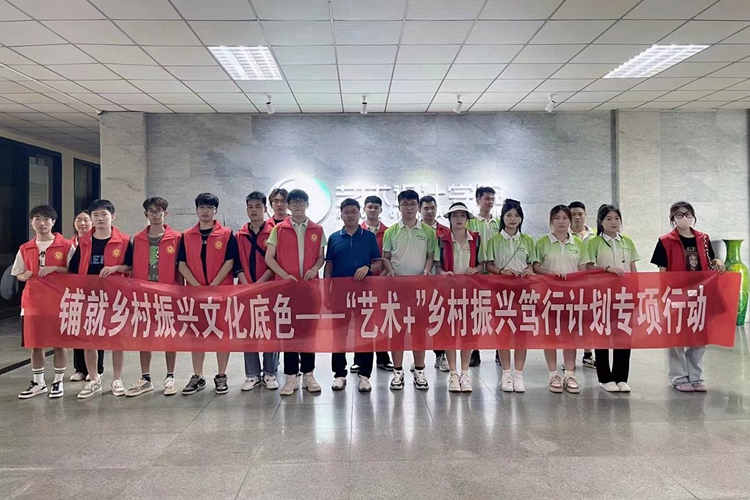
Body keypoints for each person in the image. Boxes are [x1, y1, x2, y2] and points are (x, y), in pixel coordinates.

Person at [651, 201, 725, 393]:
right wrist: (664, 295)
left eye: (688, 214)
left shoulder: (703, 239)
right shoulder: (665, 241)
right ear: (672, 218)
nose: (684, 218)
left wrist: (718, 261)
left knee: (699, 335)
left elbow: (710, 261)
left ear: (693, 216)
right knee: (676, 336)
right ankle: (679, 376)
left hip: (700, 294)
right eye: (679, 214)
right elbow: (662, 271)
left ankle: (696, 376)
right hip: (676, 294)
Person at [69, 199, 132, 399]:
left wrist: (115, 268)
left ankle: (117, 379)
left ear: (112, 217)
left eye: (104, 214)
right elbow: (73, 269)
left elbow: (130, 265)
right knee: (89, 339)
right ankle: (94, 380)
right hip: (89, 297)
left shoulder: (123, 240)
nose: (100, 218)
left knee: (116, 340)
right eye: (95, 215)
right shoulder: (84, 241)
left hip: (115, 297)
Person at [265, 189, 326, 396]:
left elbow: (321, 257)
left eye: (302, 201)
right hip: (286, 290)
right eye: (294, 202)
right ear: (289, 206)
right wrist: (283, 275)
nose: (298, 205)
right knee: (288, 332)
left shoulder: (317, 229)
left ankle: (308, 374)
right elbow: (269, 258)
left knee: (309, 332)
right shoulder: (279, 229)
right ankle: (291, 377)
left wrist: (315, 269)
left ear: (307, 204)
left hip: (309, 289)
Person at [178, 193, 238, 396]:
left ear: (215, 210)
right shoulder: (187, 235)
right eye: (202, 207)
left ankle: (221, 375)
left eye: (209, 207)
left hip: (221, 293)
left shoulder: (227, 234)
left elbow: (230, 262)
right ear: (196, 210)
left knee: (221, 334)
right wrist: (197, 286)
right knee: (197, 335)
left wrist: (213, 286)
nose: (205, 211)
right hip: (195, 294)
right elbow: (182, 264)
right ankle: (198, 375)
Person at [382, 189, 437, 391]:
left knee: (419, 331)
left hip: (420, 290)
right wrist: (390, 271)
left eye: (413, 204)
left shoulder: (429, 232)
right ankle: (398, 372)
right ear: (399, 207)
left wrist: (426, 270)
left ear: (418, 207)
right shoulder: (390, 232)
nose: (409, 208)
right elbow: (386, 257)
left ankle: (419, 371)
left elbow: (430, 256)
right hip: (396, 290)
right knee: (397, 331)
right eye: (405, 204)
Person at [325, 198, 382, 392]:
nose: (350, 215)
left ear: (359, 214)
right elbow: (329, 266)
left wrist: (367, 267)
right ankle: (339, 374)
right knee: (339, 334)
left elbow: (378, 263)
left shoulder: (369, 237)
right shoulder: (334, 238)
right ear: (341, 215)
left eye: (353, 212)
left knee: (364, 333)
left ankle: (364, 375)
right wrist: (326, 292)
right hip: (339, 295)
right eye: (346, 212)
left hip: (364, 294)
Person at [14, 205, 71, 399]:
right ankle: (38, 383)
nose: (42, 223)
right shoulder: (25, 248)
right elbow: (18, 272)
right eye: (37, 218)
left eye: (46, 219)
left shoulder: (66, 246)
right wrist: (23, 276)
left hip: (58, 302)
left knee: (59, 343)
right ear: (32, 222)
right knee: (35, 343)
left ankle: (58, 381)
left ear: (53, 222)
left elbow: (75, 271)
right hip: (32, 302)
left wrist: (56, 268)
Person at [125, 197, 181, 397]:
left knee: (169, 335)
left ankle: (170, 376)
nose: (155, 214)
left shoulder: (176, 238)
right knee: (144, 335)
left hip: (168, 294)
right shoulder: (137, 239)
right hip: (144, 294)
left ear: (165, 213)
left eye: (159, 211)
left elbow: (181, 267)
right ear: (146, 214)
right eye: (152, 211)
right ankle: (146, 377)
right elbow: (130, 265)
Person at [533, 205, 591, 394]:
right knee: (549, 335)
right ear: (551, 220)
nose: (561, 222)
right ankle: (553, 375)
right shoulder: (542, 242)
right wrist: (550, 273)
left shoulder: (578, 243)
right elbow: (535, 267)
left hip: (572, 297)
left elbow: (583, 270)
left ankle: (570, 375)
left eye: (565, 218)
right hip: (549, 296)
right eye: (557, 218)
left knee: (570, 335)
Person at [484, 198, 536, 393]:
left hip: (523, 292)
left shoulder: (528, 240)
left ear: (521, 218)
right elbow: (488, 265)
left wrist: (529, 270)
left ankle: (519, 374)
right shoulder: (494, 241)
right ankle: (506, 374)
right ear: (502, 217)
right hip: (500, 292)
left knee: (522, 333)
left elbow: (532, 264)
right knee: (503, 332)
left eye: (516, 215)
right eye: (509, 215)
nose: (513, 219)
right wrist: (501, 271)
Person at [587, 204, 640, 393]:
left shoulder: (627, 241)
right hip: (602, 295)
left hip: (624, 294)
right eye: (608, 219)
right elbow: (588, 266)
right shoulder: (594, 242)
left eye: (616, 218)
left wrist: (636, 291)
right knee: (602, 335)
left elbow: (632, 267)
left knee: (623, 335)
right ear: (601, 222)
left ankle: (621, 377)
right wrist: (607, 269)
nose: (613, 222)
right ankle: (605, 377)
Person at [435, 202, 483, 393]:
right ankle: (453, 374)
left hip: (470, 293)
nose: (459, 219)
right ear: (449, 219)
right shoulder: (442, 239)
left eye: (462, 215)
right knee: (450, 333)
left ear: (467, 219)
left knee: (468, 334)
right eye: (455, 215)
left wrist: (476, 269)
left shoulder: (476, 239)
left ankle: (465, 373)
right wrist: (443, 273)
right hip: (449, 293)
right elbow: (438, 265)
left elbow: (482, 264)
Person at [236, 191, 279, 391]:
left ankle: (270, 372)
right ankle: (252, 374)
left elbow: (277, 261)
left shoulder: (275, 232)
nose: (254, 210)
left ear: (265, 209)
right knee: (248, 331)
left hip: (269, 289)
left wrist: (260, 283)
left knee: (271, 331)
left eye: (258, 206)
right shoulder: (239, 235)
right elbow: (236, 264)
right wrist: (247, 285)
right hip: (246, 290)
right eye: (250, 207)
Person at [69, 210, 104, 382]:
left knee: (97, 330)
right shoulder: (69, 244)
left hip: (98, 294)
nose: (82, 224)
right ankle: (80, 369)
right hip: (77, 294)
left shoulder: (98, 242)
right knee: (79, 330)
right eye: (79, 220)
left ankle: (97, 369)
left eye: (86, 220)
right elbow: (70, 269)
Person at [467, 186, 501, 367]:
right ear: (478, 200)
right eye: (486, 198)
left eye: (492, 199)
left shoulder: (499, 223)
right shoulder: (470, 223)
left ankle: (500, 350)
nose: (490, 202)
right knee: (476, 314)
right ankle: (475, 350)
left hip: (497, 273)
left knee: (499, 313)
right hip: (477, 274)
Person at [362, 195, 394, 372]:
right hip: (361, 284)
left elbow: (388, 258)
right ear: (364, 209)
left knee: (382, 321)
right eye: (369, 207)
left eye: (376, 207)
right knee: (362, 321)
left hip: (382, 283)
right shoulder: (357, 230)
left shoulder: (388, 232)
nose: (372, 210)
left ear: (381, 210)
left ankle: (383, 358)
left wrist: (380, 277)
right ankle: (360, 359)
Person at [420, 195, 450, 373]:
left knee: (439, 321)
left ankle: (440, 356)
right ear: (420, 210)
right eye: (426, 208)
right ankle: (419, 359)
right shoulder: (416, 230)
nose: (429, 211)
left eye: (432, 208)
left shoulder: (445, 231)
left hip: (440, 284)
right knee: (419, 323)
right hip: (419, 284)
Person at [569, 201, 596, 369]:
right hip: (570, 286)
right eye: (573, 215)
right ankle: (569, 358)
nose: (577, 217)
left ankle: (588, 354)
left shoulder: (595, 235)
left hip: (592, 285)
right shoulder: (564, 235)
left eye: (580, 214)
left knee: (589, 320)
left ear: (585, 215)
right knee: (571, 321)